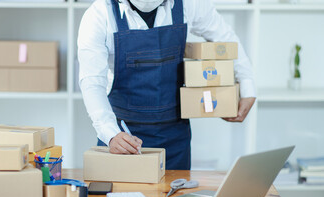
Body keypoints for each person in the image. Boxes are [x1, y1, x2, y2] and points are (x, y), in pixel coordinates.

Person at [78, 0, 256, 170]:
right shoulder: (99, 14)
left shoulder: (189, 4)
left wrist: (247, 85)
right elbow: (92, 83)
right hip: (122, 136)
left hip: (174, 137)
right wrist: (110, 134)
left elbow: (225, 38)